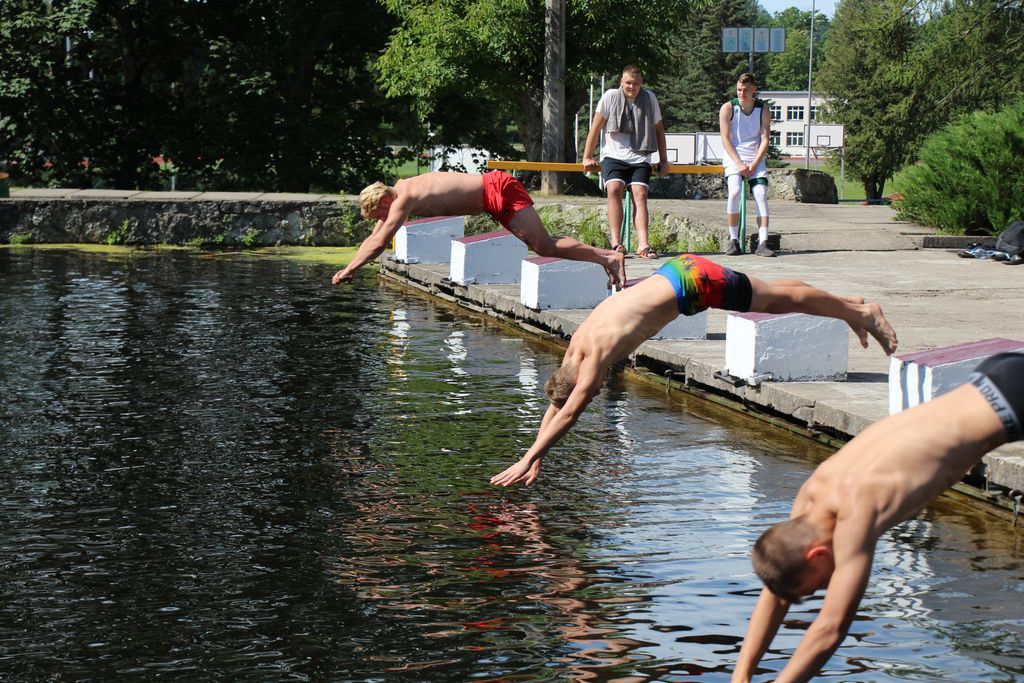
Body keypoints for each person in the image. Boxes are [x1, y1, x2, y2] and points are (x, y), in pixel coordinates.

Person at [731, 352, 1024, 683]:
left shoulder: (856, 515)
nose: (825, 589)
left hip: (1013, 404)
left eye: (816, 587)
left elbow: (830, 629)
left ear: (817, 554)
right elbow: (777, 591)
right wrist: (741, 675)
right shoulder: (812, 497)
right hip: (992, 377)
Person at [490, 253, 898, 488]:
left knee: (776, 300)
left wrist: (528, 458)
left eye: (591, 389)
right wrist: (540, 456)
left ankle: (860, 311)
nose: (594, 390)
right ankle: (847, 304)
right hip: (676, 272)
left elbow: (571, 411)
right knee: (773, 294)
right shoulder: (573, 354)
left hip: (693, 284)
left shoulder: (591, 359)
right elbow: (559, 403)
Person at [331, 171, 626, 288]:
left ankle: (608, 259)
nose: (380, 219)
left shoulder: (404, 197)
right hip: (490, 199)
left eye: (377, 214)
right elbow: (374, 237)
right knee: (543, 246)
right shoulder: (398, 197)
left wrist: (350, 270)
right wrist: (350, 265)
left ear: (383, 200)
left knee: (544, 246)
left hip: (497, 189)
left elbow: (380, 242)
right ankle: (607, 258)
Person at [581, 65, 670, 260]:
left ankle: (643, 244)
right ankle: (616, 242)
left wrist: (664, 160)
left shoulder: (650, 98)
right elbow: (595, 128)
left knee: (641, 193)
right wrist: (587, 156)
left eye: (636, 84)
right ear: (621, 82)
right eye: (628, 83)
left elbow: (659, 130)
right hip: (613, 155)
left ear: (641, 84)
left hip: (640, 155)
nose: (632, 87)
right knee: (614, 189)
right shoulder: (610, 96)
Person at [719, 73, 773, 257]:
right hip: (734, 157)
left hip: (755, 157)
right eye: (739, 90)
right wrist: (739, 163)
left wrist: (755, 163)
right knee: (734, 191)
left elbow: (765, 139)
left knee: (761, 193)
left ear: (753, 90)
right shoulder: (728, 108)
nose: (742, 93)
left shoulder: (762, 109)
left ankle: (763, 241)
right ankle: (733, 240)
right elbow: (725, 140)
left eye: (746, 90)